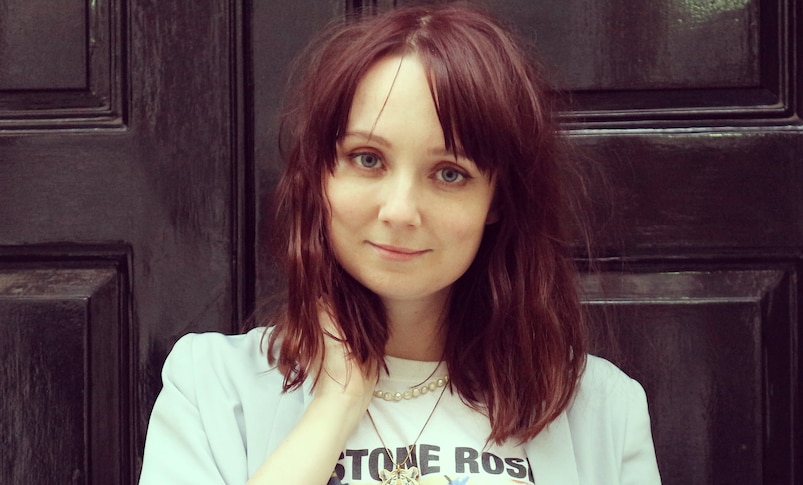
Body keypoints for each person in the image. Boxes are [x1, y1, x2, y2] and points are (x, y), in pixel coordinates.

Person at [139, 3, 661, 484]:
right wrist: (335, 408)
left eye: (449, 173)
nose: (400, 211)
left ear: (497, 200)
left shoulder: (597, 408)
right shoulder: (214, 388)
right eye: (368, 159)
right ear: (321, 174)